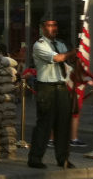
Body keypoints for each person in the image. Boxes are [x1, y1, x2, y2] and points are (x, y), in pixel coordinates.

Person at [27, 14, 77, 169]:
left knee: (63, 124)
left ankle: (63, 159)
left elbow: (68, 61)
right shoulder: (39, 45)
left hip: (61, 87)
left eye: (54, 25)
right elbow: (58, 58)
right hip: (46, 88)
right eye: (49, 25)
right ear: (42, 28)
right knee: (44, 124)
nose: (52, 28)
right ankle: (35, 158)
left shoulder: (60, 43)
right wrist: (72, 53)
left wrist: (76, 56)